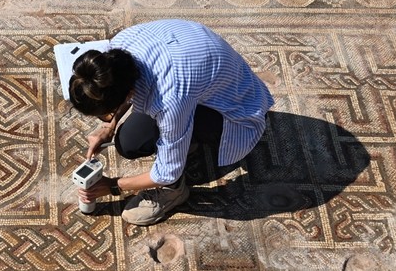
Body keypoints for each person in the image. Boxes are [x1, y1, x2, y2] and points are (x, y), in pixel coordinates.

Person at [68, 19, 274, 225]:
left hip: (238, 112)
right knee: (128, 141)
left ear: (128, 93)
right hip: (205, 79)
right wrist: (109, 126)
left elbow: (167, 172)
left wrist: (113, 186)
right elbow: (125, 88)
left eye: (106, 113)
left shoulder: (169, 99)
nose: (108, 117)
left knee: (151, 147)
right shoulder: (117, 49)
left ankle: (174, 192)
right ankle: (184, 141)